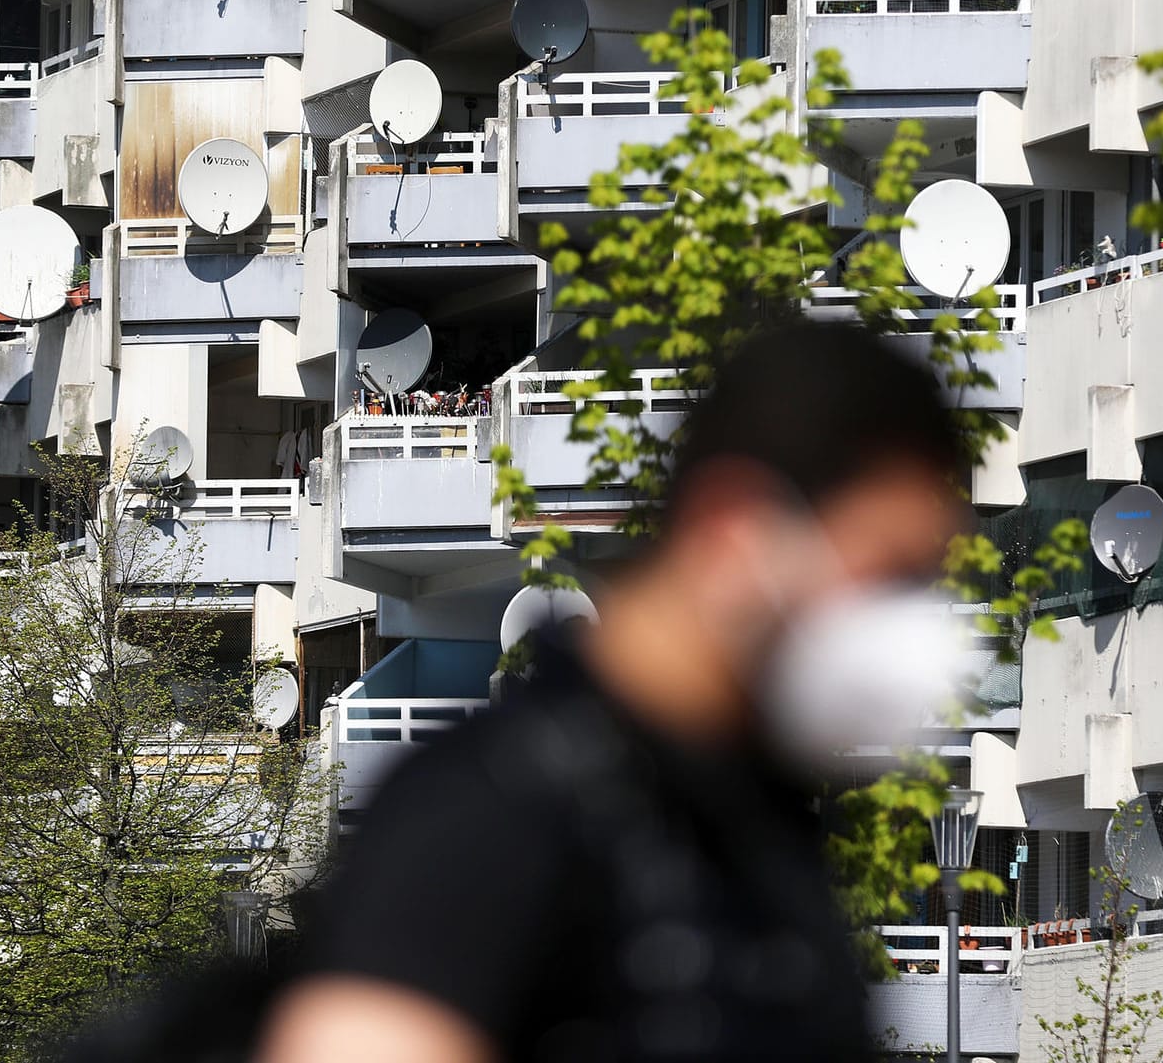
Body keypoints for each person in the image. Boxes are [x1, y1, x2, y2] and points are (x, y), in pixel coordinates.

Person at [256, 319, 972, 1063]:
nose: (908, 629)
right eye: (889, 576)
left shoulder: (757, 841)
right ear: (734, 530)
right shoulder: (493, 812)